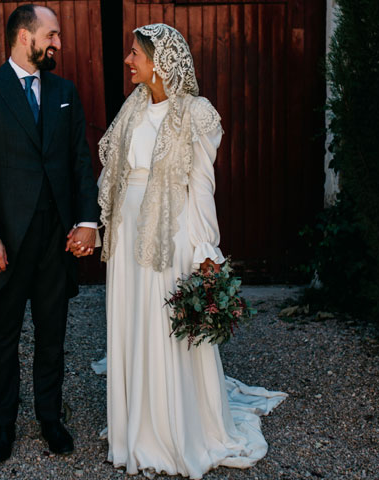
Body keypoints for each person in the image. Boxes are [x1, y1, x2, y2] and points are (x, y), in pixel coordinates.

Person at [95, 23, 287, 479]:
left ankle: (173, 429)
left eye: (135, 53)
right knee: (133, 320)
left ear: (159, 61)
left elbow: (202, 188)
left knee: (165, 326)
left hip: (171, 233)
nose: (128, 60)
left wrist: (206, 250)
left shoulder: (196, 113)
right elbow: (114, 175)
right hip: (128, 233)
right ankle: (133, 426)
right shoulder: (132, 108)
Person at [0, 4, 99, 463]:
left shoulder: (64, 91)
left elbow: (79, 161)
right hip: (8, 244)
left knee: (52, 334)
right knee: (4, 336)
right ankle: (2, 426)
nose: (58, 43)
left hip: (55, 239)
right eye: (52, 35)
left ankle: (50, 418)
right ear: (25, 37)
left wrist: (86, 221)